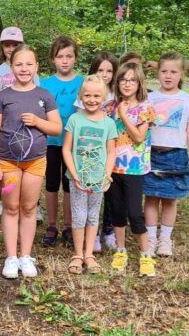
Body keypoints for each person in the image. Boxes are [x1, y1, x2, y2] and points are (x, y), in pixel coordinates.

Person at [0, 44, 61, 279]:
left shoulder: (44, 96)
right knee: (10, 207)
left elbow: (57, 128)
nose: (24, 68)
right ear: (11, 67)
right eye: (19, 64)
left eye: (29, 64)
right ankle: (11, 257)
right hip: (8, 164)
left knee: (29, 208)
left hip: (35, 163)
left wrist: (38, 122)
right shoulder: (3, 96)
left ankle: (26, 256)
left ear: (37, 67)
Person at [143, 53, 189, 257]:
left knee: (170, 199)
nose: (168, 76)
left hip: (176, 156)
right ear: (157, 72)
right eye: (164, 71)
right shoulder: (149, 97)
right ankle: (150, 238)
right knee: (150, 197)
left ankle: (165, 239)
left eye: (173, 72)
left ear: (182, 74)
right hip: (151, 154)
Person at [0, 27, 42, 223]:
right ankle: (5, 199)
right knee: (5, 168)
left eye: (15, 44)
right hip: (5, 129)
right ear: (2, 47)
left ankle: (34, 204)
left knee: (30, 168)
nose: (11, 48)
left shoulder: (30, 71)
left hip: (27, 130)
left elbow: (37, 97)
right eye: (7, 44)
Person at [105, 62, 157, 277]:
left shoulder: (145, 108)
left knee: (135, 213)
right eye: (123, 79)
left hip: (134, 170)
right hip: (113, 168)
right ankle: (121, 250)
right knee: (116, 211)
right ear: (117, 82)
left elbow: (138, 137)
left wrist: (124, 115)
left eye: (132, 80)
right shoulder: (109, 107)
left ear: (139, 83)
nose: (127, 84)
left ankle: (145, 255)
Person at [62, 75, 117, 274]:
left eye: (96, 96)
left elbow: (111, 151)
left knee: (93, 216)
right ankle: (77, 254)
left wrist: (107, 174)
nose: (92, 99)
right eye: (87, 95)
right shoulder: (75, 120)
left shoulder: (109, 123)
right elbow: (66, 149)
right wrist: (74, 173)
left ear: (104, 98)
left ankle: (89, 254)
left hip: (98, 179)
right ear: (80, 97)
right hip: (77, 179)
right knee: (78, 216)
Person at [40, 37, 84, 247]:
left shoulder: (83, 82)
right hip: (49, 141)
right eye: (60, 56)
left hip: (73, 143)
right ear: (52, 59)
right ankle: (51, 225)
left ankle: (68, 225)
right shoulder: (44, 83)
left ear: (75, 58)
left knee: (69, 185)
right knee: (51, 184)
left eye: (69, 56)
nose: (65, 61)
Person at [75, 51, 119, 252]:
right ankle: (88, 236)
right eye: (100, 70)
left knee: (109, 194)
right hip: (87, 154)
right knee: (86, 197)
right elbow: (79, 125)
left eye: (109, 70)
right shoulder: (87, 92)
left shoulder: (117, 94)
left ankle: (107, 229)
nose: (105, 74)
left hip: (112, 148)